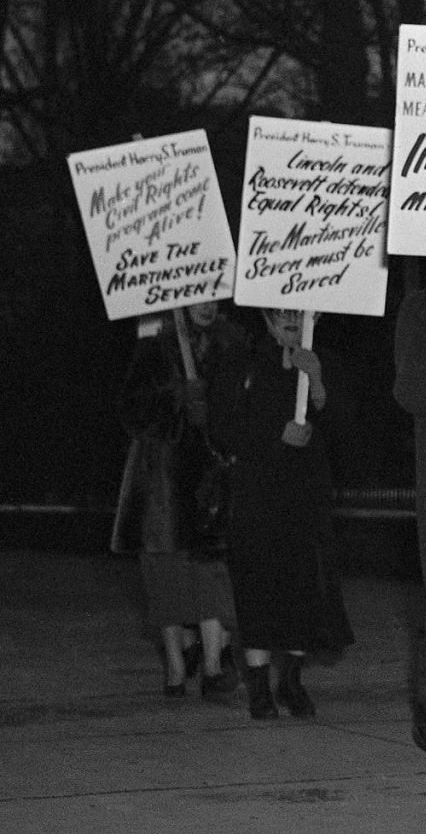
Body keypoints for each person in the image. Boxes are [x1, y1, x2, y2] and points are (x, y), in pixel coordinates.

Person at [202, 306, 352, 720]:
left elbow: (345, 430)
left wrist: (317, 380)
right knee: (257, 586)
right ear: (266, 318)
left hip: (306, 497)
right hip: (256, 495)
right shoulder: (242, 362)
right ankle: (258, 684)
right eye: (281, 312)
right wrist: (274, 436)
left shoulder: (325, 362)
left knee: (302, 585)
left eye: (299, 313)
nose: (290, 318)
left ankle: (291, 680)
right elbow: (221, 428)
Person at [114, 300, 237, 698]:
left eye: (213, 298)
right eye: (198, 299)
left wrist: (214, 411)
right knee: (165, 567)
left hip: (211, 473)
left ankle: (215, 666)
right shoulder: (154, 344)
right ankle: (176, 664)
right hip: (162, 476)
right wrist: (175, 399)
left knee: (211, 567)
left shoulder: (232, 344)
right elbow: (131, 412)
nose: (207, 307)